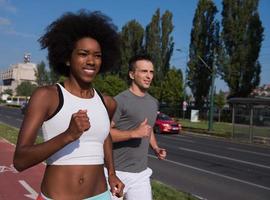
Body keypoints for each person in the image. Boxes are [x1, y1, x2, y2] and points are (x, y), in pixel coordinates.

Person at [13, 10, 124, 200]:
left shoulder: (107, 103)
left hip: (100, 196)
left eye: (97, 55)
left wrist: (112, 173)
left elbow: (105, 137)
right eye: (83, 54)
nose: (91, 61)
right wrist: (68, 135)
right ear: (66, 57)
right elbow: (20, 160)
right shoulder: (47, 96)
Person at [109, 54, 167, 200]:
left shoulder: (153, 102)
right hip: (115, 172)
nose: (149, 76)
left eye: (151, 72)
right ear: (132, 74)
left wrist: (156, 148)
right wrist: (133, 133)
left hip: (140, 174)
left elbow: (148, 129)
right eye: (143, 71)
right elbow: (104, 134)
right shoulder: (119, 100)